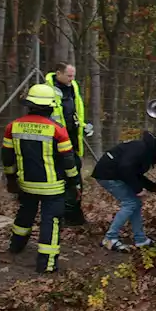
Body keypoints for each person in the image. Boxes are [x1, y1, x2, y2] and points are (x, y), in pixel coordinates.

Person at [3, 84, 81, 273]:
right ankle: (46, 264)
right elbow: (68, 162)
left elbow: (7, 157)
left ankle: (16, 246)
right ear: (51, 106)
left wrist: (11, 179)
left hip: (26, 183)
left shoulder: (13, 126)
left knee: (25, 213)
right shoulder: (57, 130)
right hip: (52, 187)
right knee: (51, 220)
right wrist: (74, 183)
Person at [93, 131, 156, 252]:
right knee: (130, 203)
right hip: (108, 175)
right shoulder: (141, 149)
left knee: (135, 204)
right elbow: (125, 168)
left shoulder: (144, 150)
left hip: (112, 174)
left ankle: (140, 239)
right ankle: (110, 238)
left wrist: (154, 187)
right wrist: (138, 189)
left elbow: (135, 173)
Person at [45, 62, 90, 226]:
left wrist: (83, 127)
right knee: (61, 181)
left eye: (74, 75)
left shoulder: (73, 88)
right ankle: (60, 216)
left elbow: (74, 113)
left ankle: (74, 214)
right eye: (69, 75)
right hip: (55, 145)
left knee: (76, 178)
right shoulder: (47, 90)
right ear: (58, 73)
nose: (72, 79)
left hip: (73, 142)